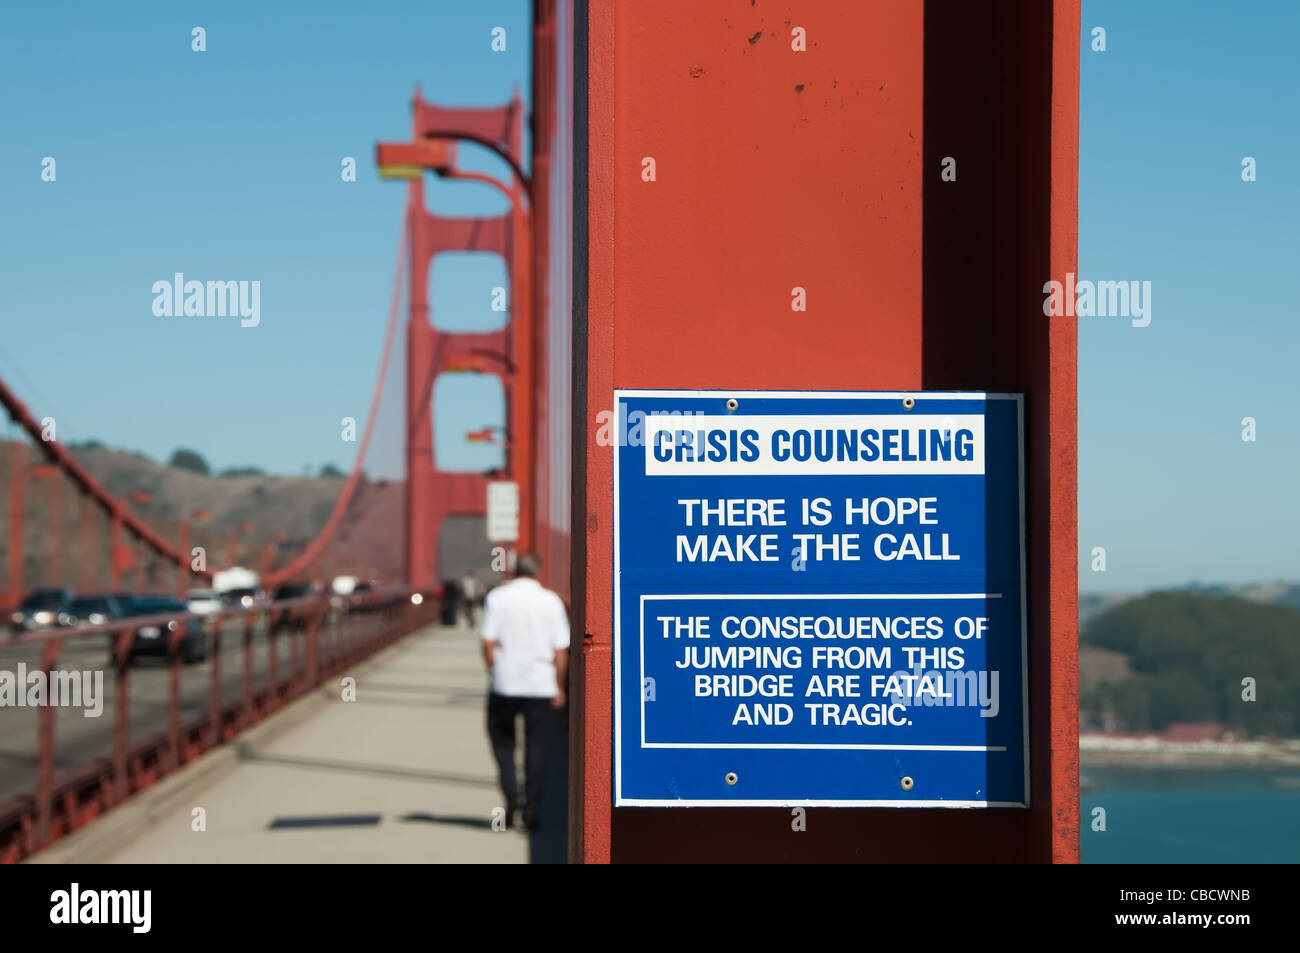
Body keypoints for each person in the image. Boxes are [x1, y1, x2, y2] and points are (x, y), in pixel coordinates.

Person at [479, 552, 569, 831]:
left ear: (515, 570)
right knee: (537, 747)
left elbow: (487, 642)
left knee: (503, 742)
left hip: (505, 684)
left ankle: (511, 795)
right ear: (538, 571)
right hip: (541, 684)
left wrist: (494, 669)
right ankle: (532, 812)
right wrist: (560, 686)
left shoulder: (498, 598)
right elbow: (560, 652)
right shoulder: (551, 601)